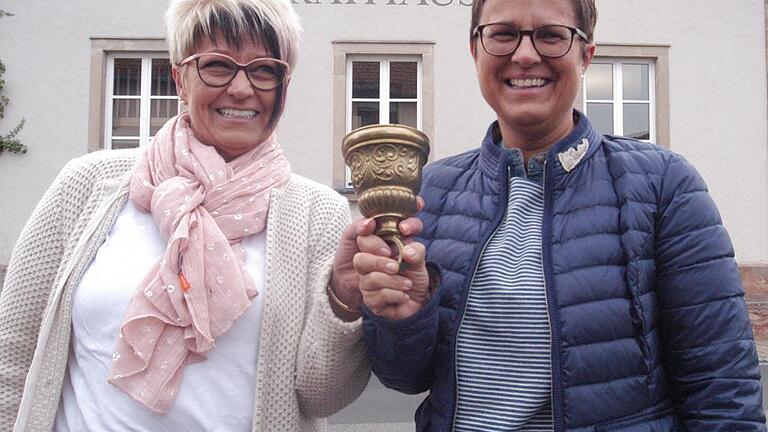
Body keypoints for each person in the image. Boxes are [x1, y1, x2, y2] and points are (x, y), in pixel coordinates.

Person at [342, 0, 767, 430]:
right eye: (503, 33)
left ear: (586, 55)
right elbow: (404, 377)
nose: (525, 55)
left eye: (551, 35)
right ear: (476, 51)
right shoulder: (431, 193)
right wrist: (404, 316)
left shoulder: (663, 186)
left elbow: (723, 393)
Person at [0, 0, 369, 430]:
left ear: (285, 85)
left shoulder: (317, 212)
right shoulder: (87, 185)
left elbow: (324, 395)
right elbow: (12, 352)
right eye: (217, 65)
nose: (241, 88)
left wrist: (345, 298)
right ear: (179, 78)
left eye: (264, 69)